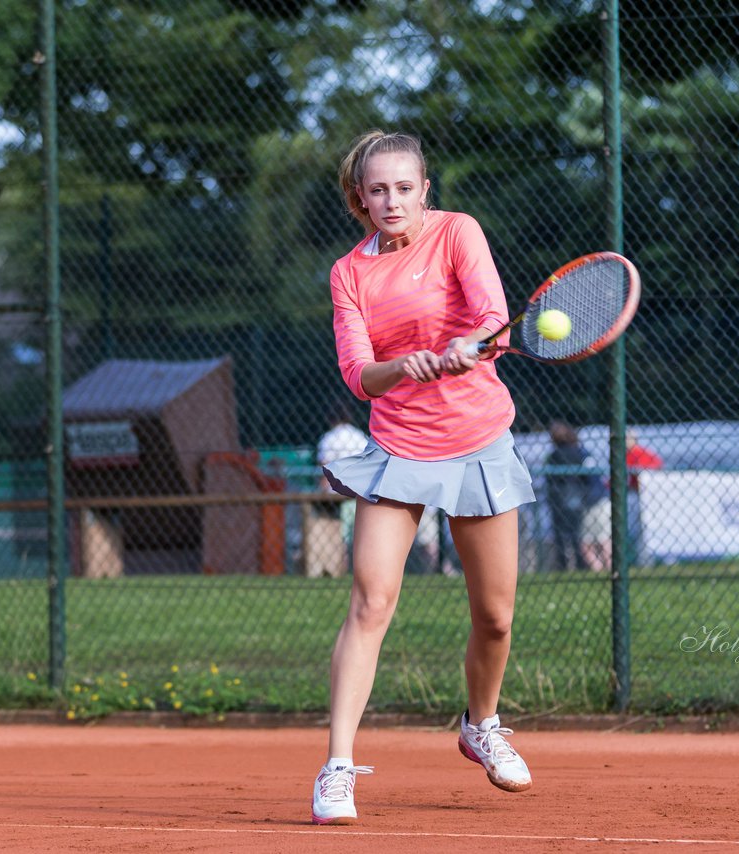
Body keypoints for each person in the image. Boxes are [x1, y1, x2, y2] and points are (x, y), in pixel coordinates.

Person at [311, 130, 537, 825]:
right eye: (377, 190)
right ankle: (338, 768)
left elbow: (495, 315)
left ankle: (481, 725)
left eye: (404, 187)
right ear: (360, 198)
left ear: (424, 190)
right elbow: (358, 375)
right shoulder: (349, 272)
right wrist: (402, 366)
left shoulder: (458, 233)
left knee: (495, 617)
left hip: (477, 441)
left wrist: (468, 348)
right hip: (399, 450)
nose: (392, 201)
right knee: (370, 602)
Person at [308, 401, 369, 578]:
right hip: (361, 491)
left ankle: (341, 570)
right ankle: (360, 572)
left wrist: (322, 492)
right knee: (360, 535)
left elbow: (325, 471)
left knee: (340, 536)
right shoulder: (359, 436)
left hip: (337, 495)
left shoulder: (329, 438)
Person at [543, 421, 592, 571]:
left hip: (558, 497)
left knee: (560, 533)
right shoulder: (578, 453)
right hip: (576, 495)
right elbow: (587, 478)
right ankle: (580, 563)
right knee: (575, 532)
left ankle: (563, 564)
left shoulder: (553, 455)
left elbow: (549, 478)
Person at [624, 429, 662, 564]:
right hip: (630, 493)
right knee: (632, 528)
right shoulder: (624, 454)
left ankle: (643, 559)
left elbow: (657, 465)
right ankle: (635, 559)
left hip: (640, 494)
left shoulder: (640, 453)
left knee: (642, 528)